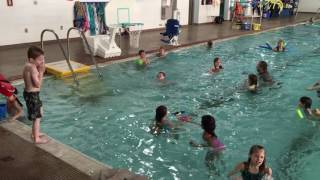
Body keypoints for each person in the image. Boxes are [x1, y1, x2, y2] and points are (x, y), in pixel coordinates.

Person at [23, 46, 48, 144]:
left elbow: (40, 63)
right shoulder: (33, 68)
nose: (41, 62)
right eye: (40, 60)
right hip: (33, 95)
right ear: (31, 59)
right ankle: (36, 138)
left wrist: (41, 63)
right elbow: (38, 84)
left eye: (43, 59)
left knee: (39, 113)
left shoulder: (28, 65)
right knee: (37, 117)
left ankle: (34, 133)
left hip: (29, 94)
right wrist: (41, 72)